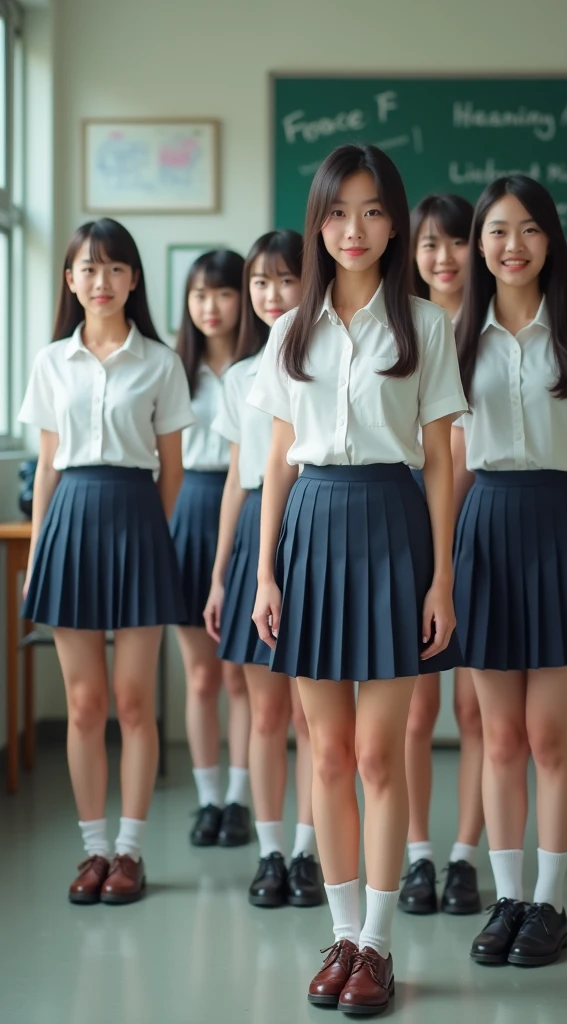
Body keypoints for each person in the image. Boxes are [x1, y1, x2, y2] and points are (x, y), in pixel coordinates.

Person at [248, 144, 465, 1015]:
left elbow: (444, 461)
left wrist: (442, 578)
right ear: (318, 221)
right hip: (309, 533)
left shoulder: (425, 324)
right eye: (339, 212)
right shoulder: (288, 327)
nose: (355, 230)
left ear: (396, 221)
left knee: (380, 754)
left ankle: (378, 944)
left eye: (374, 212)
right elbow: (275, 459)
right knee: (327, 754)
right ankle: (341, 935)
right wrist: (264, 570)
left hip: (390, 524)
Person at [454, 175, 567, 967]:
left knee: (550, 734)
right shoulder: (452, 337)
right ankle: (509, 900)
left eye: (528, 230)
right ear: (478, 244)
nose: (512, 245)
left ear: (551, 240)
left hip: (562, 527)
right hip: (484, 526)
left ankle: (552, 905)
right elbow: (448, 463)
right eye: (496, 230)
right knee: (498, 739)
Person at [20, 218, 193, 905]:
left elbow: (172, 473)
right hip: (68, 523)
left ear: (134, 279)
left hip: (135, 521)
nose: (102, 281)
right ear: (70, 280)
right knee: (85, 704)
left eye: (115, 268)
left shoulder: (160, 361)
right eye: (89, 269)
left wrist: (155, 539)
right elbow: (47, 467)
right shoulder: (50, 361)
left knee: (133, 700)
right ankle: (93, 849)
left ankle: (130, 851)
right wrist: (38, 555)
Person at [205, 230, 324, 908]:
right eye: (260, 282)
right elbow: (234, 483)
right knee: (263, 711)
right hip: (256, 534)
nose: (272, 294)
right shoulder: (240, 376)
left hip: (316, 530)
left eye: (284, 280)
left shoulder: (322, 358)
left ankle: (310, 849)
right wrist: (224, 575)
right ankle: (272, 851)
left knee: (312, 719)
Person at [400, 193, 484, 917]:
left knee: (479, 711)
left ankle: (464, 855)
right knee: (415, 710)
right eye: (430, 244)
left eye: (456, 243)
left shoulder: (494, 325)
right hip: (416, 530)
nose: (444, 258)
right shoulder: (405, 328)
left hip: (489, 530)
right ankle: (418, 854)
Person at [171, 250, 252, 849]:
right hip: (186, 514)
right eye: (199, 295)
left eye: (222, 293)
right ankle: (206, 800)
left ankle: (240, 800)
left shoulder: (263, 366)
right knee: (200, 677)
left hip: (245, 513)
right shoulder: (176, 370)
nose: (210, 307)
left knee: (240, 679)